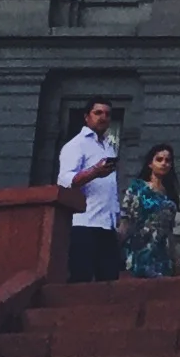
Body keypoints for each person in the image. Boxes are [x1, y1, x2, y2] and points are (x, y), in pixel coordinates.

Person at [57, 99, 125, 284]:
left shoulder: (109, 146)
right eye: (98, 113)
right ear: (87, 117)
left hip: (107, 225)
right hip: (83, 223)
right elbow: (65, 181)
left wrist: (117, 218)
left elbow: (110, 185)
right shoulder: (76, 145)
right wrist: (94, 172)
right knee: (81, 278)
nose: (103, 117)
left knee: (109, 281)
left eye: (107, 114)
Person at [121, 144, 180, 280]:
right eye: (159, 160)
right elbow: (126, 219)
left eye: (167, 160)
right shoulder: (139, 188)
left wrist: (176, 260)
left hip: (161, 255)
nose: (164, 163)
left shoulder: (170, 194)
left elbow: (169, 232)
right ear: (150, 164)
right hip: (139, 251)